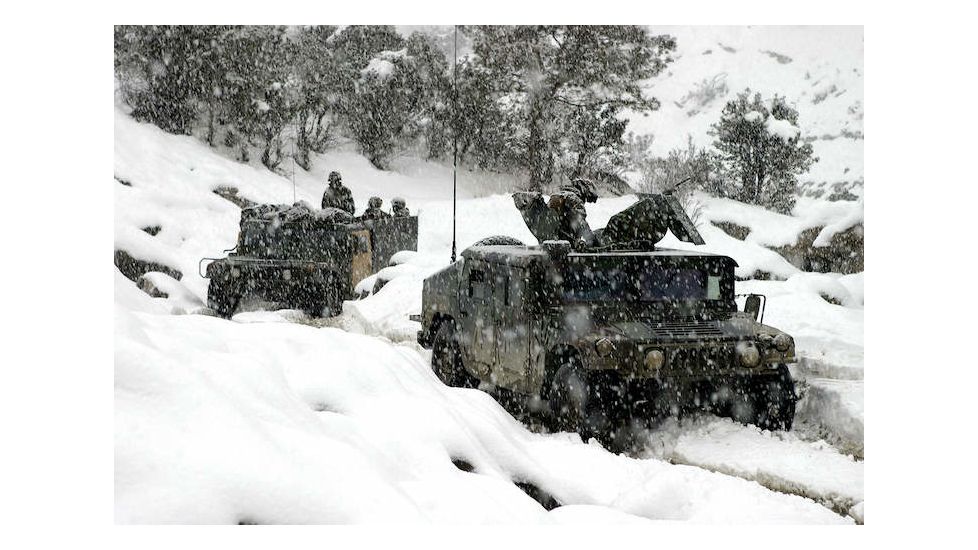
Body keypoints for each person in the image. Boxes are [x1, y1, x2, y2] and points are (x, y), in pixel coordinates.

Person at [547, 177, 598, 247]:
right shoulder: (573, 198)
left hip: (551, 240)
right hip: (564, 243)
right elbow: (580, 223)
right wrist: (593, 240)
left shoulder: (558, 195)